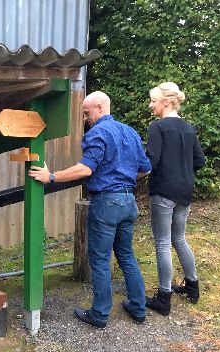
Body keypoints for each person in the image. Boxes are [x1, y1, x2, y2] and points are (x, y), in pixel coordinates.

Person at [28, 91, 151, 329]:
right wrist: (123, 179)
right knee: (126, 256)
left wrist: (51, 176)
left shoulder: (98, 133)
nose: (85, 118)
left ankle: (99, 314)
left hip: (106, 204)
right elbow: (145, 169)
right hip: (128, 201)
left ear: (100, 108)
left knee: (100, 259)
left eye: (87, 113)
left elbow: (85, 169)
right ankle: (138, 309)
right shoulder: (130, 132)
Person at [144, 82, 206, 316]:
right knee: (179, 239)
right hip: (185, 191)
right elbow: (199, 161)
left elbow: (151, 162)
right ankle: (192, 287)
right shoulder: (189, 128)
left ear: (167, 102)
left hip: (164, 191)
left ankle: (164, 297)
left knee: (162, 243)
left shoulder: (157, 127)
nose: (151, 105)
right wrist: (182, 172)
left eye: (154, 101)